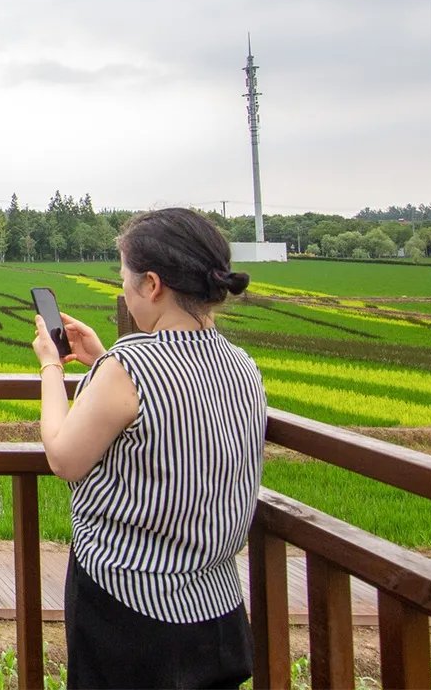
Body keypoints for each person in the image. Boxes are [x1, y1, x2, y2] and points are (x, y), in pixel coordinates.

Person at [32, 207, 266, 689]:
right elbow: (167, 414)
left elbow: (64, 456)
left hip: (129, 612)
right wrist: (101, 361)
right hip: (217, 610)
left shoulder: (132, 365)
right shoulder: (241, 364)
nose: (123, 288)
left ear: (152, 285)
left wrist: (52, 368)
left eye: (125, 278)